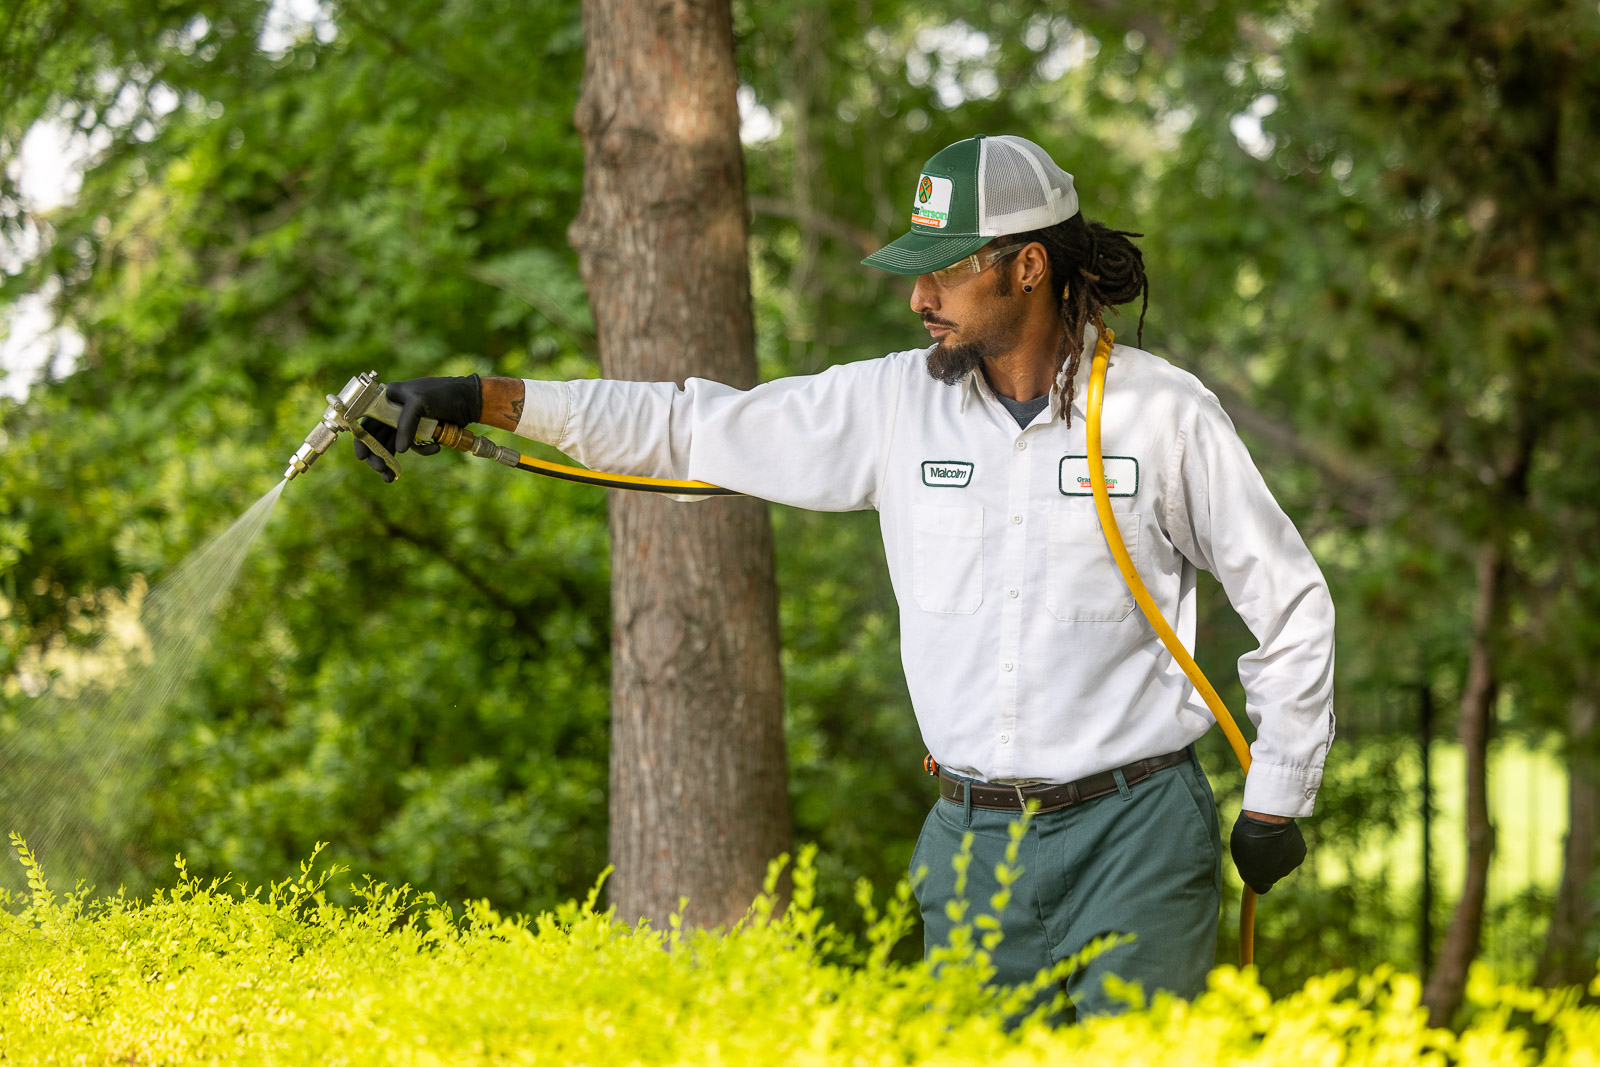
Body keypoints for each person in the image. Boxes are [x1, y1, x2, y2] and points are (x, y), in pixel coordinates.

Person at [358, 134, 1334, 1019]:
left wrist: (1277, 791)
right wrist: (481, 398)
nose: (919, 298)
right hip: (973, 846)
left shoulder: (1162, 415)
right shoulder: (890, 407)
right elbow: (690, 425)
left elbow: (1288, 600)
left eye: (946, 270)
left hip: (1138, 835)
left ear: (1028, 266)